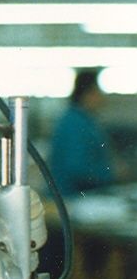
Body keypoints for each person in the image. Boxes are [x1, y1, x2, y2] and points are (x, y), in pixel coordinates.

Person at [50, 68, 117, 197]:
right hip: (72, 199)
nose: (102, 97)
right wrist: (111, 173)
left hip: (82, 195)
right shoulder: (74, 123)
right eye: (99, 91)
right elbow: (76, 168)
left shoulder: (84, 120)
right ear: (88, 93)